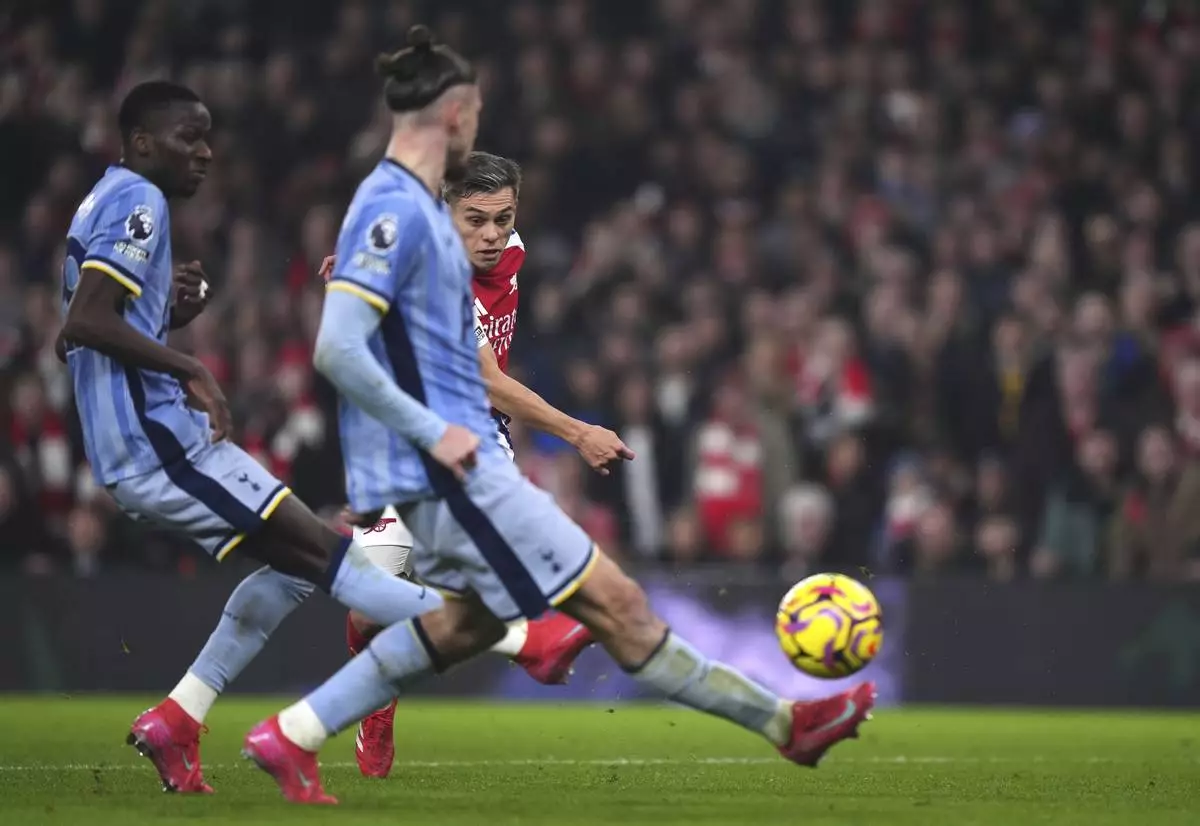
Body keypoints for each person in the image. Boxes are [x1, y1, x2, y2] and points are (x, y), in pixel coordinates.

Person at [241, 26, 875, 805]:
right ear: (454, 112)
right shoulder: (399, 213)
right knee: (614, 605)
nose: (491, 232)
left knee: (461, 625)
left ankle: (295, 733)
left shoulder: (428, 219)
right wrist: (540, 432)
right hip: (451, 466)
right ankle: (773, 720)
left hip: (453, 462)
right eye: (474, 108)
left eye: (500, 219)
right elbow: (348, 352)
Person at [59, 80, 441, 795]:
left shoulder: (103, 198)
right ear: (141, 142)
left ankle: (179, 719)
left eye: (208, 137)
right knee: (328, 556)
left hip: (138, 447)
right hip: (162, 446)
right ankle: (520, 630)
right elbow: (83, 322)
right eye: (188, 137)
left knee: (300, 567)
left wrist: (163, 316)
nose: (205, 152)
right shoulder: (139, 199)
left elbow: (78, 335)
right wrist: (191, 366)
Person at [319, 150, 635, 778]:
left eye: (503, 219)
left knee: (487, 553)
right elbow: (489, 378)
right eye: (476, 221)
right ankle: (390, 703)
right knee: (369, 611)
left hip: (472, 435)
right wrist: (579, 433)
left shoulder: (500, 245)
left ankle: (539, 632)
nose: (492, 235)